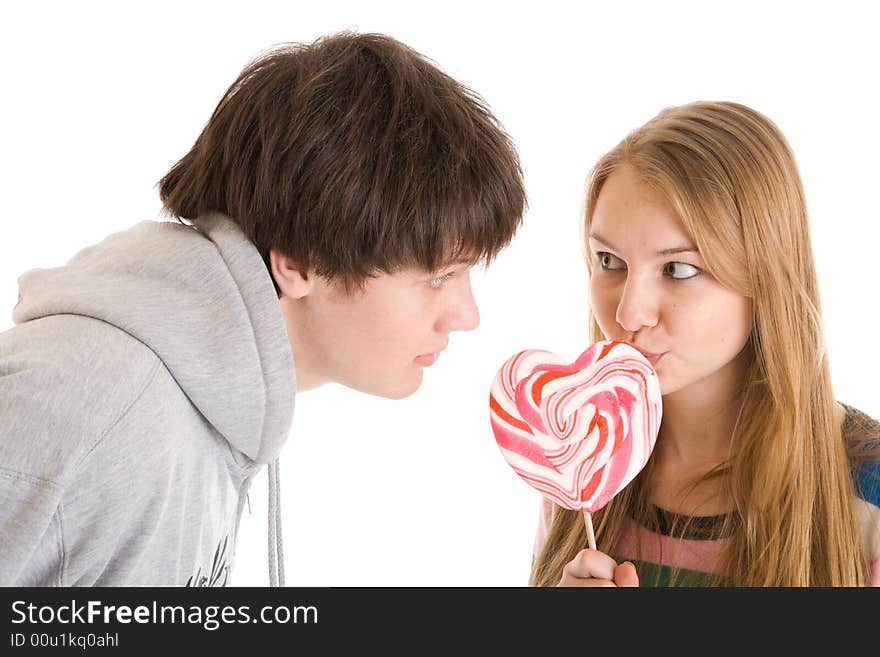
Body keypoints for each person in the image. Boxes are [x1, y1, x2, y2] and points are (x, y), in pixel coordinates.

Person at [0, 31, 526, 586]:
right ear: (298, 262)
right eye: (440, 277)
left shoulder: (206, 405)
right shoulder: (93, 404)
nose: (467, 315)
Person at [530, 101, 880, 587]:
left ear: (764, 279)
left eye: (677, 269)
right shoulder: (584, 465)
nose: (629, 312)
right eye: (609, 260)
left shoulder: (868, 497)